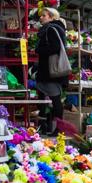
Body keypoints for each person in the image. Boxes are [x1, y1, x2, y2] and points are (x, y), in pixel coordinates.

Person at [34, 7, 69, 135]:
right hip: (49, 70)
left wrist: (39, 50)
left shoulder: (51, 29)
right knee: (48, 98)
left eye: (44, 15)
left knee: (55, 99)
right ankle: (46, 126)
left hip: (50, 70)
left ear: (51, 17)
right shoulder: (55, 28)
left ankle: (58, 128)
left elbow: (55, 47)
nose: (41, 18)